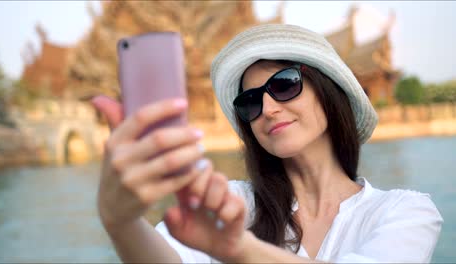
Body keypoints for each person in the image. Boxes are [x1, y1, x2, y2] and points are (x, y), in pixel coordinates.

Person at [92, 24, 443, 263]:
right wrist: (120, 221)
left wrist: (239, 250)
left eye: (285, 83)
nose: (268, 109)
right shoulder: (232, 203)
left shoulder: (404, 213)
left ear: (327, 92)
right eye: (250, 102)